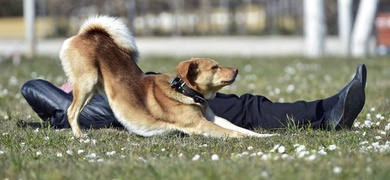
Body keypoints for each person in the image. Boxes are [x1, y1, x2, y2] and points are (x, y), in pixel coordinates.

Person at [19, 64, 367, 132]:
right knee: (246, 109)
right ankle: (328, 114)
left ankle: (327, 110)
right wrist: (72, 95)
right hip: (155, 110)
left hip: (157, 91)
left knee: (246, 105)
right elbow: (31, 86)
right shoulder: (77, 113)